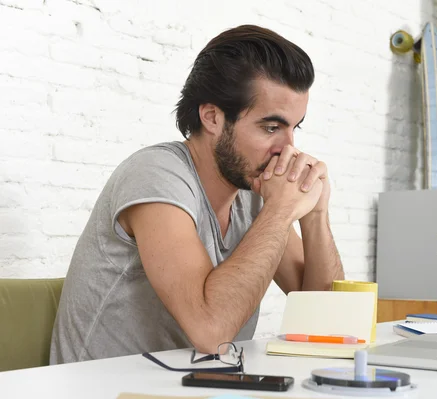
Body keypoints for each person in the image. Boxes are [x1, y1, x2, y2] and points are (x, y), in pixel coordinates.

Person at [49, 24, 345, 364]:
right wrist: (280, 210)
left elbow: (329, 326)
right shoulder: (156, 176)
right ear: (212, 117)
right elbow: (211, 333)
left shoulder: (253, 194)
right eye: (271, 127)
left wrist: (315, 213)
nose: (288, 148)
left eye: (295, 127)